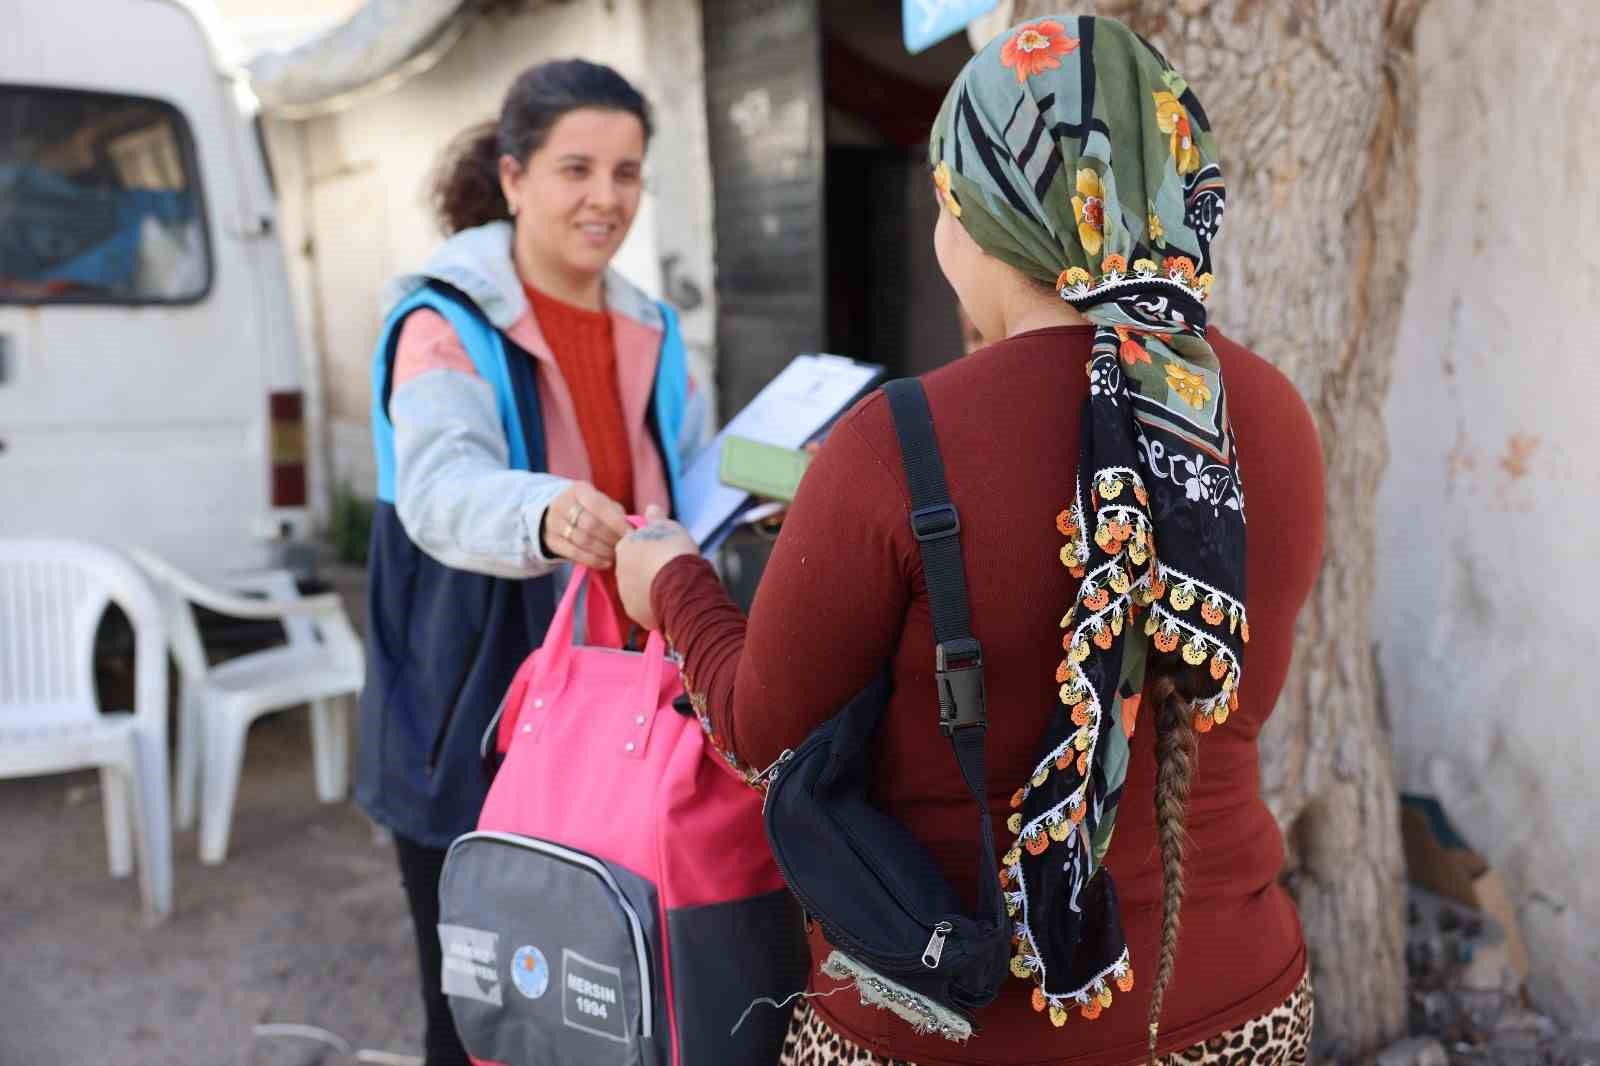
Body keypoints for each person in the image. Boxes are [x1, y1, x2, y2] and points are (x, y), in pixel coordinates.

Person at [615, 15, 1323, 1066]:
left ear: (982, 211)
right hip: (1237, 1008)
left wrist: (671, 580)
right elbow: (1208, 676)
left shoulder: (899, 443)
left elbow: (763, 736)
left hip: (946, 1026)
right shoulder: (1267, 414)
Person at [354, 59, 705, 1066]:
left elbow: (675, 476)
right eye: (576, 169)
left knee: (597, 998)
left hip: (612, 703)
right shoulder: (442, 322)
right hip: (468, 705)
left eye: (628, 174)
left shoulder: (652, 325)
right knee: (476, 1016)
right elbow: (437, 485)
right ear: (511, 178)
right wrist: (547, 510)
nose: (606, 199)